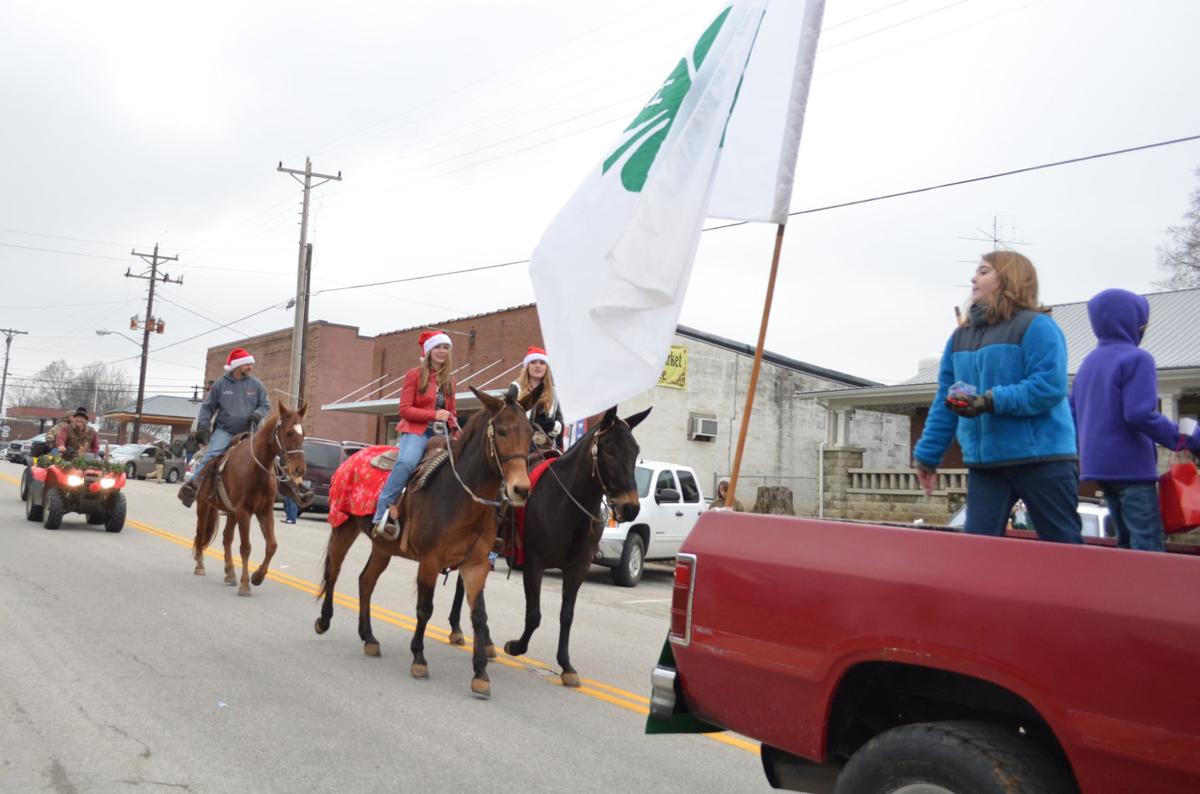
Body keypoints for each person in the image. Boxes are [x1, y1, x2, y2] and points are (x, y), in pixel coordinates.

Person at [912, 251, 1082, 544]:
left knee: (1064, 550)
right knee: (977, 553)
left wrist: (989, 401)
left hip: (1042, 460)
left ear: (1008, 278)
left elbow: (1047, 387)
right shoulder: (960, 337)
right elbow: (947, 399)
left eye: (983, 271)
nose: (973, 278)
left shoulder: (1037, 326)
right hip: (987, 464)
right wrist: (927, 456)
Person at [1071, 288, 1200, 551]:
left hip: (1098, 467)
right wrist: (1188, 436)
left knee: (1126, 540)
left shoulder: (1087, 364)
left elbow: (1073, 414)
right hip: (1131, 466)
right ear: (1132, 321)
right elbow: (1140, 413)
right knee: (1147, 541)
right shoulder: (1137, 358)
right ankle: (1153, 592)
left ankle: (1123, 590)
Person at [373, 330, 459, 540]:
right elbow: (404, 409)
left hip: (442, 434)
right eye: (438, 347)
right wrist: (433, 414)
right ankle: (382, 511)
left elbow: (452, 412)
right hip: (417, 431)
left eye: (445, 348)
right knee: (407, 462)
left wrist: (455, 430)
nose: (442, 351)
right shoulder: (414, 375)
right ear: (429, 351)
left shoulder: (450, 381)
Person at [178, 347, 271, 508]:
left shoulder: (256, 385)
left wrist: (257, 414)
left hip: (250, 431)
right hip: (225, 431)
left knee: (271, 457)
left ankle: (290, 488)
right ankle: (192, 487)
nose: (250, 367)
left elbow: (265, 406)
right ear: (236, 366)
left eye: (250, 364)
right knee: (212, 454)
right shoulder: (221, 384)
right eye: (247, 364)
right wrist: (202, 426)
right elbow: (207, 407)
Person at [512, 346, 564, 452]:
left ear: (546, 367)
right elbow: (507, 419)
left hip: (548, 448)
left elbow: (560, 423)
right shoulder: (516, 388)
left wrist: (553, 425)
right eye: (533, 362)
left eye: (542, 362)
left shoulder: (554, 393)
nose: (538, 366)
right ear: (527, 366)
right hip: (520, 448)